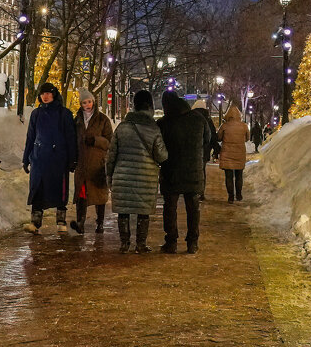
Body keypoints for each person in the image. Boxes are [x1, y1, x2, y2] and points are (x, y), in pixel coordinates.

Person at [105, 89, 167, 253]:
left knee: (123, 212)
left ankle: (124, 244)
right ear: (150, 107)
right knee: (143, 212)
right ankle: (140, 244)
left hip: (122, 175)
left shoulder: (122, 127)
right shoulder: (153, 129)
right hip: (146, 177)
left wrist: (109, 175)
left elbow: (111, 155)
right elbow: (161, 156)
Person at [22, 82, 78, 234]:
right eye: (42, 94)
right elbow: (30, 137)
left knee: (59, 190)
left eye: (48, 93)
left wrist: (72, 159)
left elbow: (70, 137)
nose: (45, 96)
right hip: (39, 159)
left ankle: (61, 221)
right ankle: (35, 222)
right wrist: (26, 158)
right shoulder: (36, 114)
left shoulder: (64, 114)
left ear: (54, 94)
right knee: (37, 190)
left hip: (58, 160)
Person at [159, 91, 208, 254]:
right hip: (194, 170)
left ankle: (171, 241)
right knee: (193, 207)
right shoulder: (198, 119)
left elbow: (158, 147)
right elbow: (207, 140)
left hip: (171, 171)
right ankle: (192, 243)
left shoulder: (164, 123)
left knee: (170, 207)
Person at [71, 88, 113, 234]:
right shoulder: (77, 120)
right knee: (81, 194)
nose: (87, 105)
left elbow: (109, 142)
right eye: (84, 102)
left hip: (97, 164)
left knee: (99, 195)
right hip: (82, 164)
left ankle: (100, 223)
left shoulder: (103, 120)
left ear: (93, 102)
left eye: (89, 101)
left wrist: (95, 140)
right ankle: (80, 222)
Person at [217, 105, 249, 202]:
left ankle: (231, 196)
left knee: (229, 176)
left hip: (227, 154)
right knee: (239, 175)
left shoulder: (224, 126)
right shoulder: (244, 126)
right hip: (239, 153)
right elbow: (247, 138)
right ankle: (239, 195)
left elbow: (219, 137)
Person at [190, 98, 220, 201]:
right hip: (204, 150)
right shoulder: (208, 119)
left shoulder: (189, 117)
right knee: (201, 170)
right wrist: (215, 148)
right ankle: (201, 192)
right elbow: (212, 136)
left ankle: (191, 191)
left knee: (191, 169)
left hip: (191, 149)